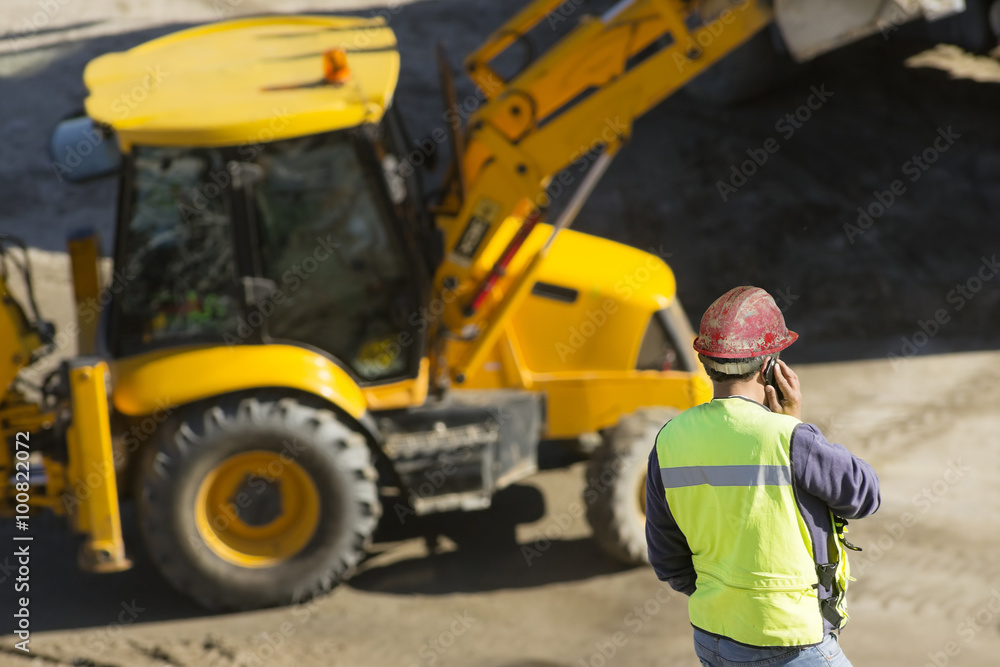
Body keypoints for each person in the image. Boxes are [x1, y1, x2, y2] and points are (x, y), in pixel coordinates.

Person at [645, 286, 880, 667]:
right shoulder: (789, 438)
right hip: (787, 640)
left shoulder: (669, 440)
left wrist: (728, 601)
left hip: (712, 637)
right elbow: (865, 495)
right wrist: (793, 422)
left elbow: (667, 560)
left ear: (704, 360)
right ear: (770, 364)